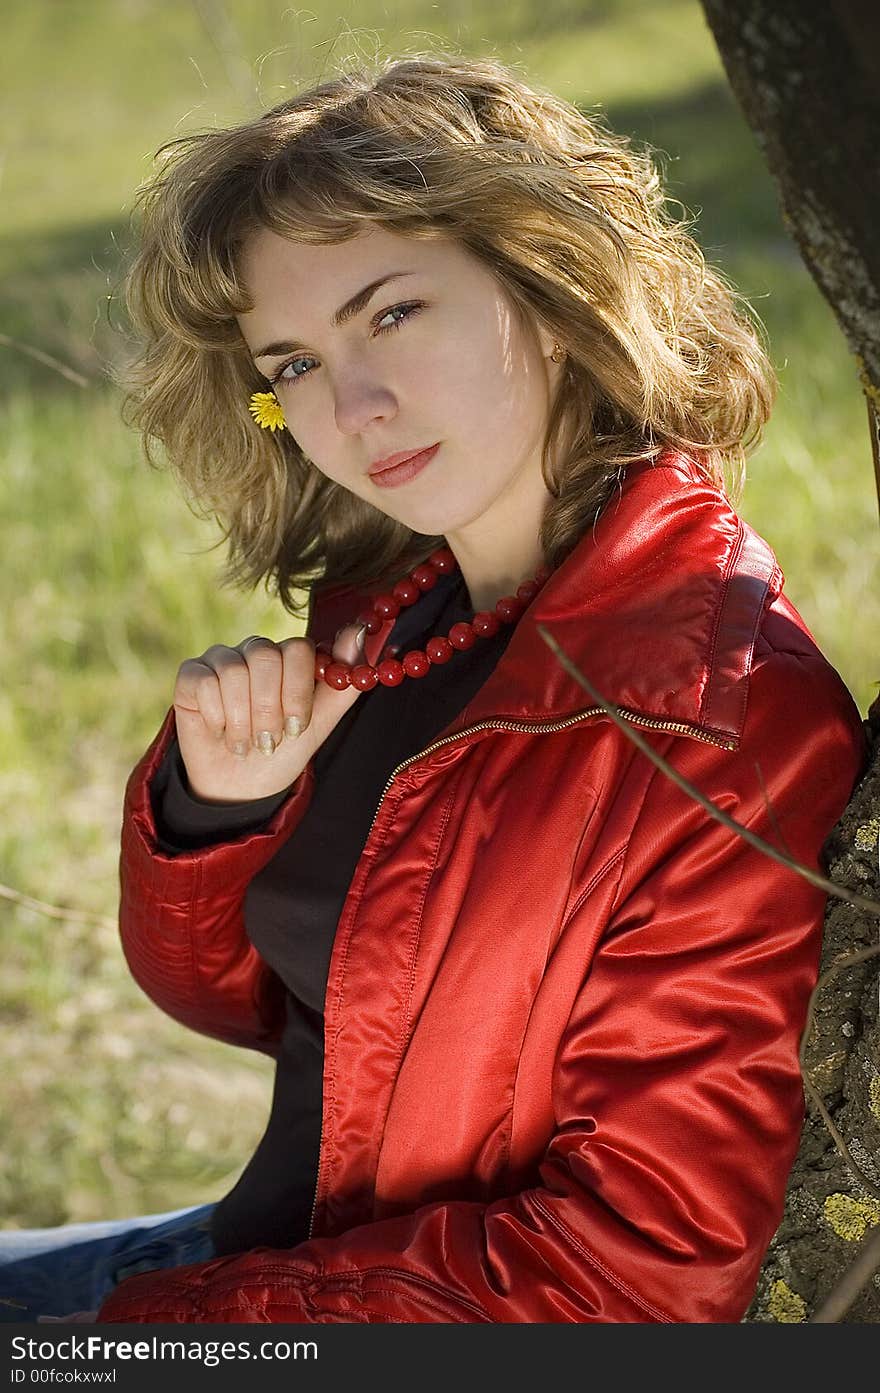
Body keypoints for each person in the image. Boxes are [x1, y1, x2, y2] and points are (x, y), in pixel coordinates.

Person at [0, 52, 867, 1325]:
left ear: (554, 287)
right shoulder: (402, 609)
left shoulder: (713, 715)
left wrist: (156, 1338)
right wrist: (215, 819)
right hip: (258, 1261)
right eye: (290, 363)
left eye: (391, 312)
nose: (350, 404)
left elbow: (636, 1269)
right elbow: (280, 1009)